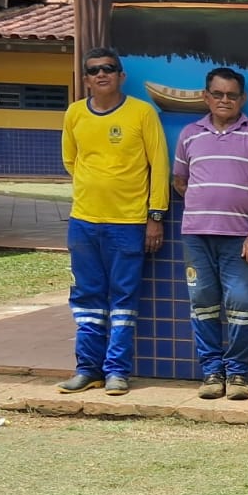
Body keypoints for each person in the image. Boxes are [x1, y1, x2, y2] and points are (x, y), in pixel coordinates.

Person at [58, 46, 170, 396]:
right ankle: (86, 368)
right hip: (84, 222)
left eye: (109, 68)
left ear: (121, 75)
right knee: (87, 298)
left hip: (129, 223)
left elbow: (159, 167)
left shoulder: (142, 113)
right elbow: (71, 161)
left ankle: (117, 371)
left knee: (123, 300)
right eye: (94, 70)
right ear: (86, 79)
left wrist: (155, 217)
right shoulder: (75, 114)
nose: (101, 74)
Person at [170, 67, 248, 402]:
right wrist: (205, 203)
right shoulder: (189, 134)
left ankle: (238, 373)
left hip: (241, 238)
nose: (225, 100)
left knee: (242, 305)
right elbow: (179, 180)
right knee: (202, 303)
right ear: (206, 96)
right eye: (218, 94)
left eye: (232, 95)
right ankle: (212, 372)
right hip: (196, 236)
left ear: (242, 99)